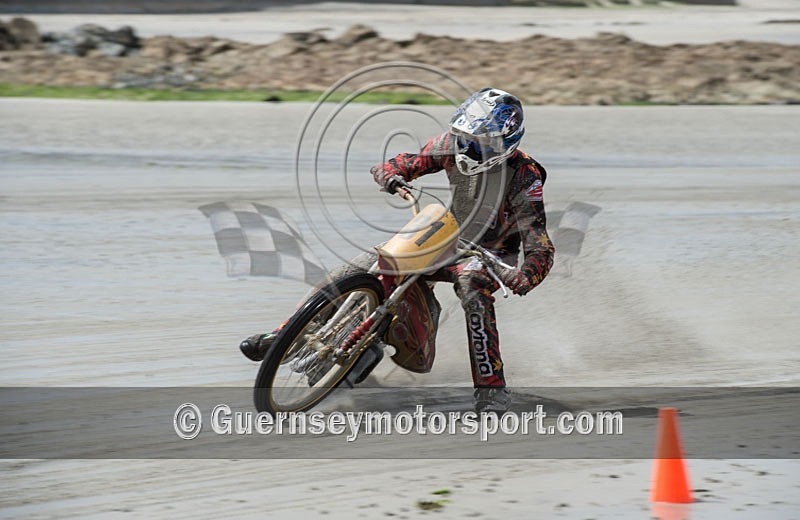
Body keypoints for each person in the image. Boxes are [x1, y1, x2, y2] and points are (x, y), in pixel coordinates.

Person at [240, 87, 554, 413]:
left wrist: (524, 277)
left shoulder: (526, 176)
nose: (465, 146)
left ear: (503, 145)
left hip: (489, 254)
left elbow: (539, 244)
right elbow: (407, 161)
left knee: (471, 287)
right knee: (363, 265)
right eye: (464, 137)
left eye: (477, 144)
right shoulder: (448, 145)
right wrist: (391, 174)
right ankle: (282, 337)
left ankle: (492, 391)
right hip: (444, 233)